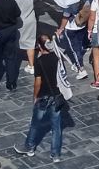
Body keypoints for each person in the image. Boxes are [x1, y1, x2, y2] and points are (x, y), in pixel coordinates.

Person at [15, 33, 67, 162]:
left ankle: (30, 146)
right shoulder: (57, 58)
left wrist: (35, 97)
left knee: (35, 123)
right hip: (56, 96)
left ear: (39, 46)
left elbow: (38, 82)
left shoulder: (39, 61)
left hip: (43, 96)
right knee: (56, 127)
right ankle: (55, 155)